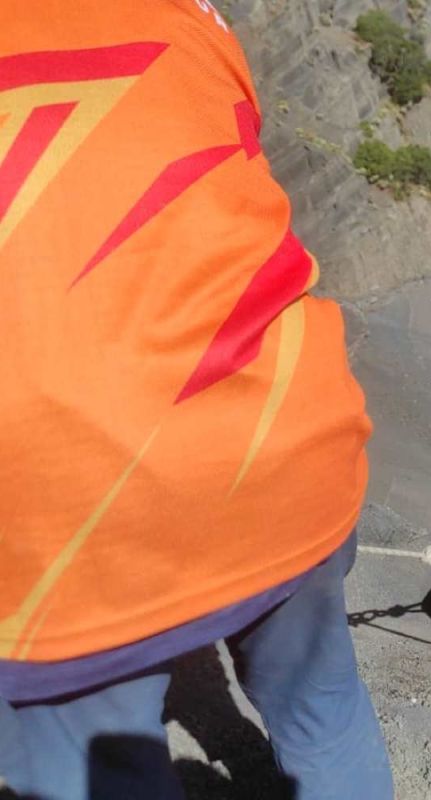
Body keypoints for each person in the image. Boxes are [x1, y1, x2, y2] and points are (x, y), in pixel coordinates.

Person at [0, 2, 392, 798]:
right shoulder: (183, 12)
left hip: (59, 522)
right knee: (324, 712)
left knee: (97, 762)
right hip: (284, 437)